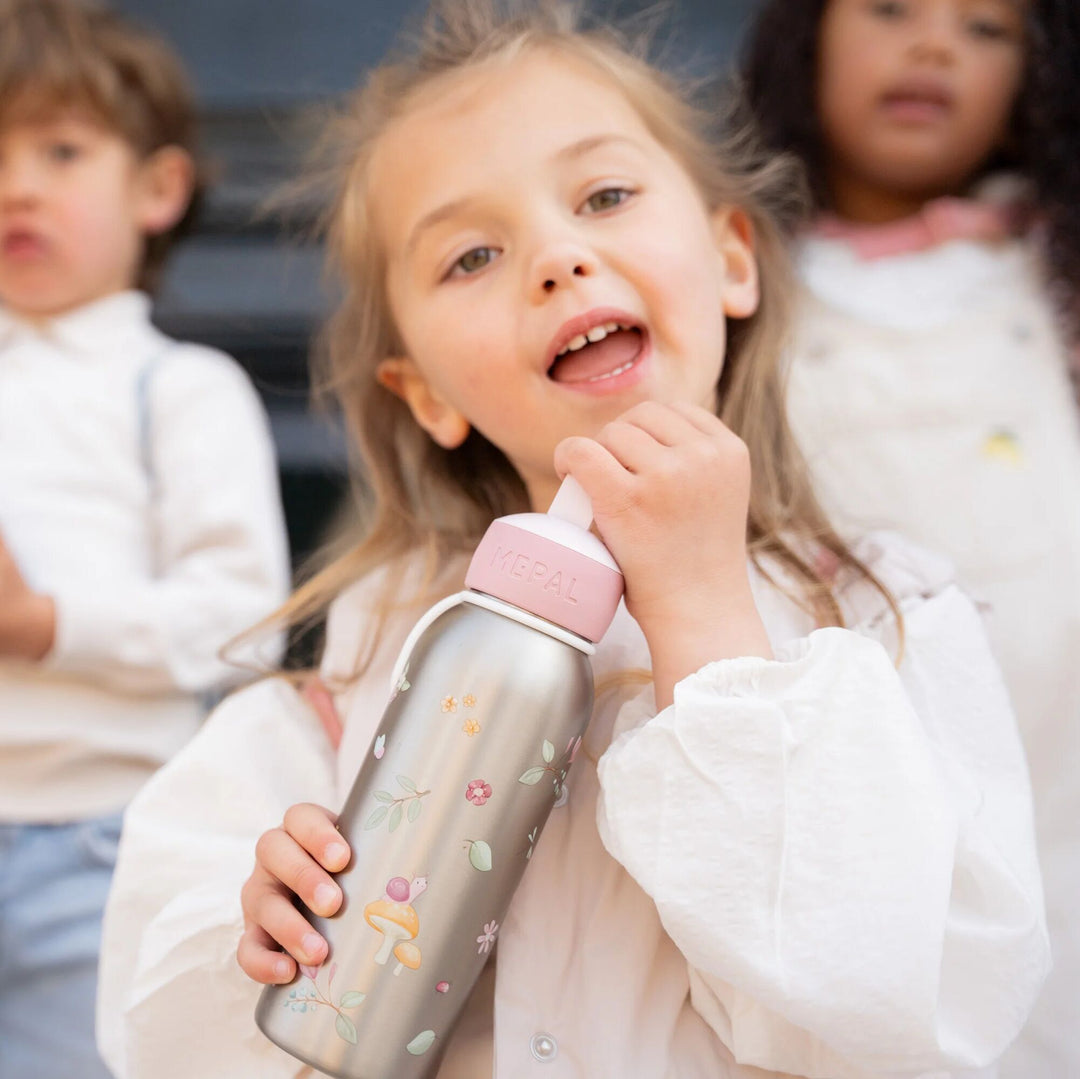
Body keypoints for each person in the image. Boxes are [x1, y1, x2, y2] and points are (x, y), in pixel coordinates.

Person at [97, 3, 1049, 1077]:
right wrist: (262, 932)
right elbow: (159, 1006)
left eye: (605, 196)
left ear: (734, 257)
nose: (556, 257)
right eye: (470, 256)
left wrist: (703, 611)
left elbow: (895, 1003)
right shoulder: (366, 668)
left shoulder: (886, 622)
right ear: (425, 394)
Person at [741, 2, 1080, 1074]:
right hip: (854, 777)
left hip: (1061, 774)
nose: (933, 45)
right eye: (891, 9)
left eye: (986, 29)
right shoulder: (747, 280)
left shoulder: (1056, 274)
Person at [0, 1, 290, 1076]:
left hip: (101, 845)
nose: (17, 184)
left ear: (157, 188)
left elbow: (243, 625)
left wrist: (45, 624)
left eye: (60, 150)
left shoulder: (177, 388)